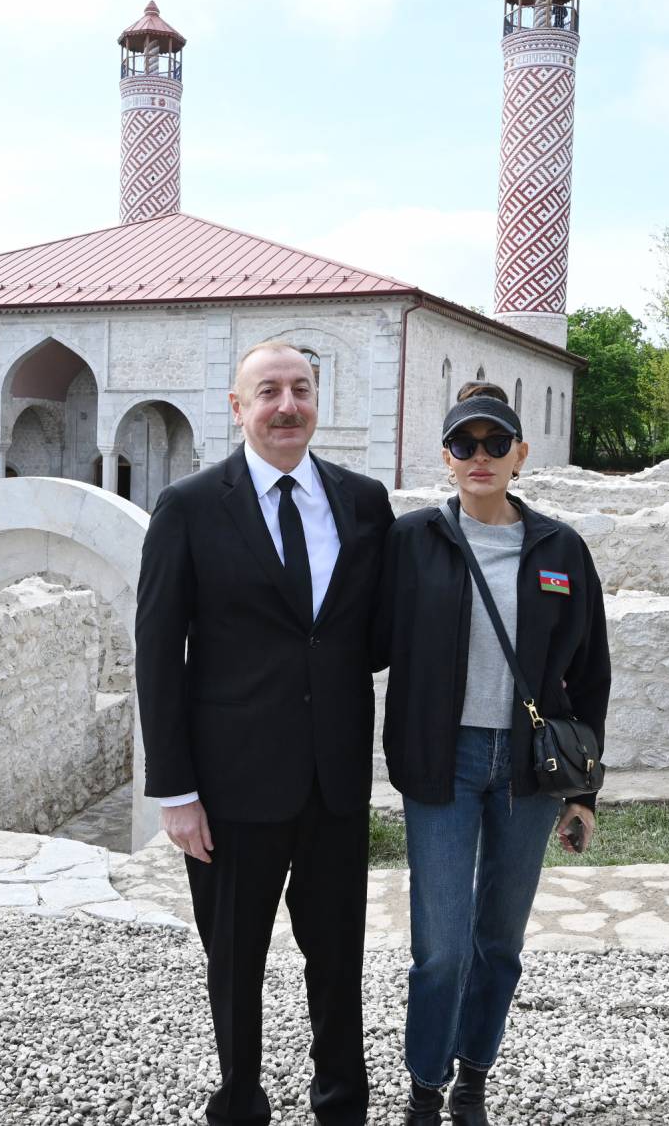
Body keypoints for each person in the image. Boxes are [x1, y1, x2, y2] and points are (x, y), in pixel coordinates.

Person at [135, 340, 396, 1126]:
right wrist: (176, 791)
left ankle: (342, 1104)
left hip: (335, 782)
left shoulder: (363, 502)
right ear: (238, 407)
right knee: (235, 963)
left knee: (337, 959)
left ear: (318, 401)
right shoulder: (188, 507)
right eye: (269, 392)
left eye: (302, 390)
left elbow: (376, 635)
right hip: (231, 785)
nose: (288, 406)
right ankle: (240, 1102)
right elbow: (158, 651)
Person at [375, 383, 611, 1126]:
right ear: (445, 457)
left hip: (528, 774)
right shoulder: (411, 541)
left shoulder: (559, 548)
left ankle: (474, 1076)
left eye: (494, 443)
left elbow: (592, 672)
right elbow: (362, 641)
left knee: (499, 943)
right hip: (438, 767)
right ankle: (424, 1089)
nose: (480, 457)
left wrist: (584, 795)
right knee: (441, 948)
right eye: (464, 444)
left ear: (520, 454)